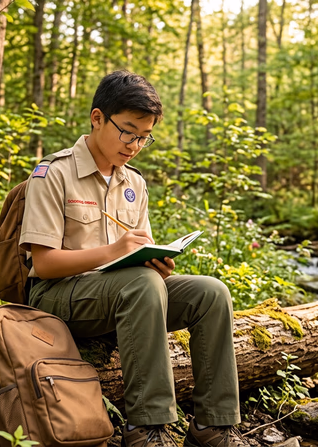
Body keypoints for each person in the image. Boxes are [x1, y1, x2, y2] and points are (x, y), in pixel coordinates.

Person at [19, 71, 249, 447]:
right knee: (142, 285)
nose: (135, 145)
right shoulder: (54, 173)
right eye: (128, 132)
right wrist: (116, 254)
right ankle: (147, 429)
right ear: (97, 118)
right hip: (57, 297)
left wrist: (154, 261)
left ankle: (214, 427)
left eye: (145, 137)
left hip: (127, 294)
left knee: (211, 293)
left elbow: (135, 255)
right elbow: (43, 265)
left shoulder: (134, 182)